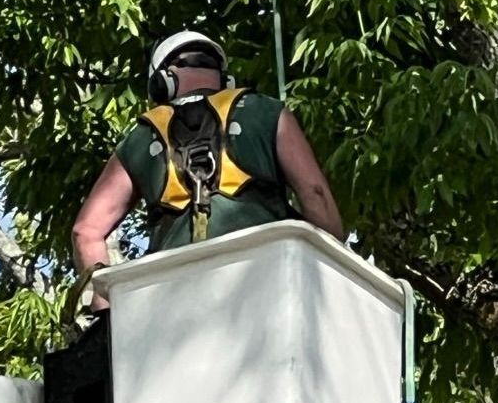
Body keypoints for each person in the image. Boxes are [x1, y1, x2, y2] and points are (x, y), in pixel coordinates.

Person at [71, 30, 345, 312]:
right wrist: (341, 268)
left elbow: (85, 231)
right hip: (268, 282)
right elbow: (316, 194)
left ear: (162, 82)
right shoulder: (266, 112)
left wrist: (105, 311)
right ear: (225, 79)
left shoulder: (141, 139)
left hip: (172, 302)